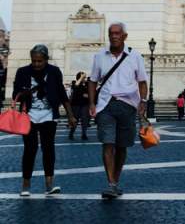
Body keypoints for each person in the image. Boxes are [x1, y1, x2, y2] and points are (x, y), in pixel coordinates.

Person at [88, 22, 149, 199]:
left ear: (124, 36)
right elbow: (92, 80)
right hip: (105, 105)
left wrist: (143, 101)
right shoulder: (100, 56)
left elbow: (142, 81)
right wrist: (92, 103)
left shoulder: (135, 56)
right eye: (111, 33)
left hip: (128, 105)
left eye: (117, 33)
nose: (113, 36)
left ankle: (116, 180)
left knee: (122, 146)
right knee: (108, 143)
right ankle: (111, 184)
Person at [13, 44, 77, 196]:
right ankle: (25, 185)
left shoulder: (54, 72)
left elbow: (62, 94)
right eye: (34, 61)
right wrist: (24, 92)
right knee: (30, 149)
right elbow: (16, 93)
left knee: (48, 149)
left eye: (39, 61)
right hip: (28, 115)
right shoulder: (22, 72)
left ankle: (49, 185)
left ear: (46, 59)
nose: (36, 64)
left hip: (48, 114)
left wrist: (70, 115)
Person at [69, 72, 90, 141]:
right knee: (75, 120)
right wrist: (81, 78)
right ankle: (71, 133)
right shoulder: (75, 83)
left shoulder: (87, 84)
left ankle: (84, 134)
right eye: (84, 77)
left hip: (85, 105)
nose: (85, 78)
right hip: (76, 105)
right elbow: (75, 87)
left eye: (85, 77)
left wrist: (88, 96)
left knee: (85, 120)